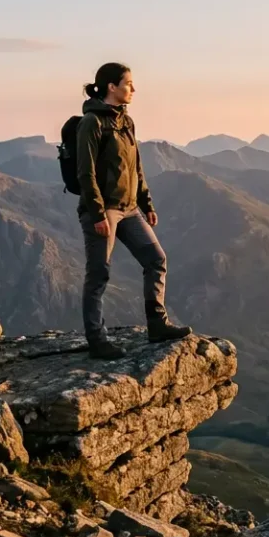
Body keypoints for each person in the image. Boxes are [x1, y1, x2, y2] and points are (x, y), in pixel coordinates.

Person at [76, 62, 191, 359]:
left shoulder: (126, 121)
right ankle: (97, 340)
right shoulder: (92, 123)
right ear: (112, 87)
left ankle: (157, 324)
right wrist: (99, 214)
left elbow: (135, 167)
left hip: (129, 209)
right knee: (99, 273)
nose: (133, 89)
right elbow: (85, 173)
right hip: (104, 212)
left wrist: (146, 204)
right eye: (128, 83)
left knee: (156, 259)